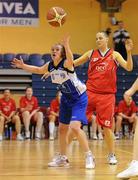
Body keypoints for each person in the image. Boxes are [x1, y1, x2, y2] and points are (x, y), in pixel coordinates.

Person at [12, 35, 95, 169]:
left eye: (57, 49)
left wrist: (66, 45)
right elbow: (38, 70)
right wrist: (23, 66)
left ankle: (89, 155)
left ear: (61, 53)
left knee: (74, 127)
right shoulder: (50, 66)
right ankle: (63, 158)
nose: (54, 51)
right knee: (62, 129)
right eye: (52, 49)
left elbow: (71, 58)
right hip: (66, 99)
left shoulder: (67, 63)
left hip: (79, 98)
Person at [74, 31, 133, 165]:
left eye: (100, 38)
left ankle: (111, 154)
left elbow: (129, 68)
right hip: (89, 93)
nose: (98, 40)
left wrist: (128, 53)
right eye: (96, 38)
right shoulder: (90, 53)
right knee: (76, 122)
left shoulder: (114, 54)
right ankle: (64, 155)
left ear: (107, 40)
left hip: (107, 96)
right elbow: (73, 63)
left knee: (107, 128)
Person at [117, 78, 138, 179]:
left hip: (130, 119)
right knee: (119, 118)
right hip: (124, 118)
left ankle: (136, 163)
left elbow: (134, 112)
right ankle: (118, 133)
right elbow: (119, 113)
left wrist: (131, 90)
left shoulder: (132, 103)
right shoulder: (121, 103)